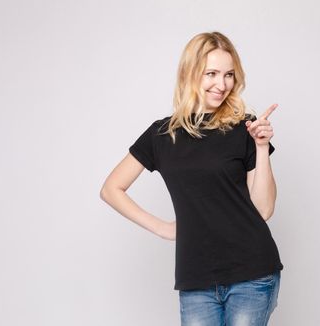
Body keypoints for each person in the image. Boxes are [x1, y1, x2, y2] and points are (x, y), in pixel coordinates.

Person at [100, 31, 283, 326]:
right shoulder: (161, 135)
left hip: (252, 272)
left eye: (229, 75)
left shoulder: (244, 129)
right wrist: (161, 228)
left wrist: (261, 147)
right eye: (211, 73)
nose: (221, 84)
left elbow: (263, 210)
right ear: (190, 73)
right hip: (196, 280)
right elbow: (111, 189)